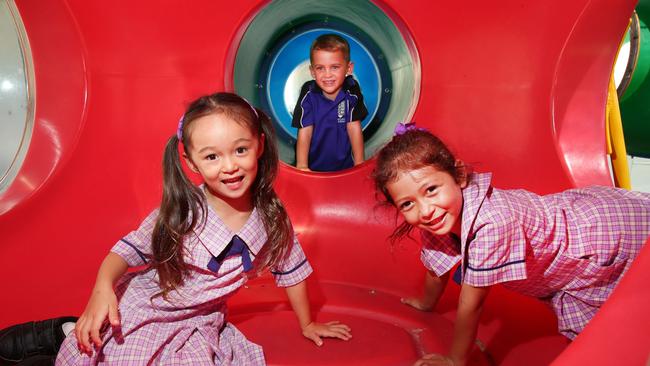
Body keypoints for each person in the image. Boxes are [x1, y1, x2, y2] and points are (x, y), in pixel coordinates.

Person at [33, 92, 352, 365]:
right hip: (148, 307)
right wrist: (102, 287)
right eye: (212, 156)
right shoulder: (185, 212)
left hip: (200, 318)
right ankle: (57, 334)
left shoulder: (270, 215)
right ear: (192, 162)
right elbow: (128, 249)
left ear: (260, 145)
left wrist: (307, 323)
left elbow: (291, 269)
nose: (229, 166)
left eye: (240, 150)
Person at [371, 125, 650, 366]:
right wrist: (425, 304)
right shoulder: (439, 215)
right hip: (573, 239)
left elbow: (472, 304)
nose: (425, 209)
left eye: (431, 190)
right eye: (407, 204)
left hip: (602, 235)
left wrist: (455, 359)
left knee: (624, 327)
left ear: (459, 176)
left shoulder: (491, 223)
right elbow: (436, 267)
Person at [292, 34, 368, 172]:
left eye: (334, 67)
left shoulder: (351, 90)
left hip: (345, 167)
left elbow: (354, 127)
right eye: (320, 68)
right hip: (313, 166)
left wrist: (359, 163)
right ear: (312, 71)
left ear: (349, 68)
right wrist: (302, 166)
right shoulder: (309, 93)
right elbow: (305, 130)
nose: (327, 75)